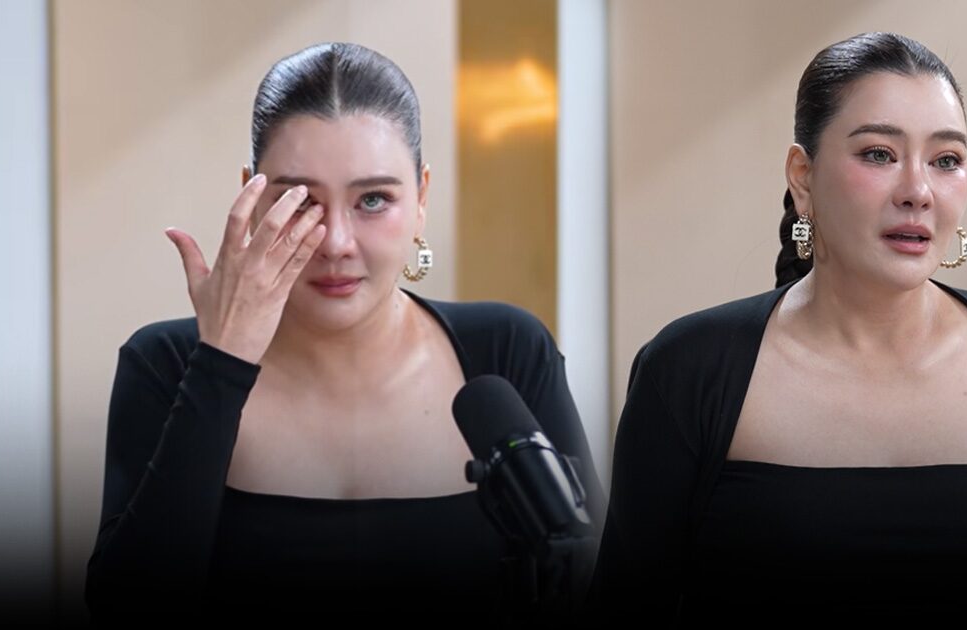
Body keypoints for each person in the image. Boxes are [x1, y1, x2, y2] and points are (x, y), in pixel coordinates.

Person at [85, 42, 603, 624]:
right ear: (251, 197)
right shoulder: (166, 362)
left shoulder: (507, 350)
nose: (335, 242)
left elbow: (593, 582)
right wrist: (222, 362)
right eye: (301, 201)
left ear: (422, 197)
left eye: (373, 200)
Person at [588, 32, 967, 625]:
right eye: (879, 154)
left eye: (946, 160)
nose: (918, 192)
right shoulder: (691, 368)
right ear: (803, 176)